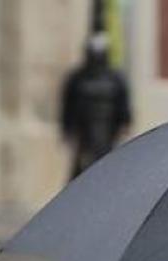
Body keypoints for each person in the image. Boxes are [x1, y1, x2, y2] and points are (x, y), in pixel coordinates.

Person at [61, 34, 132, 179]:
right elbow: (68, 104)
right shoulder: (78, 77)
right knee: (81, 168)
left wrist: (125, 122)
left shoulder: (114, 78)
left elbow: (122, 103)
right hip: (84, 132)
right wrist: (67, 128)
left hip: (107, 131)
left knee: (107, 165)